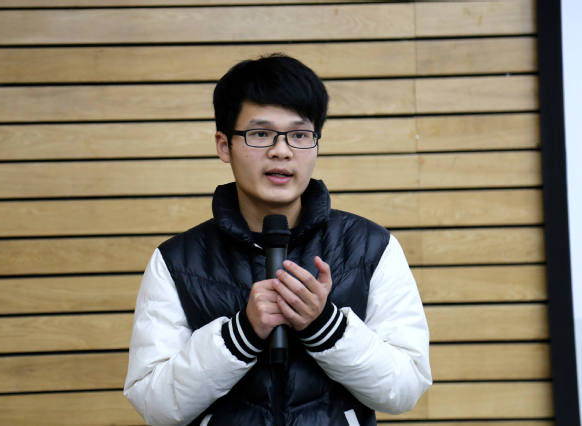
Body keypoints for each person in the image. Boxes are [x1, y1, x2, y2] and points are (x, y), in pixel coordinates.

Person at [124, 54, 432, 426]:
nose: (281, 151)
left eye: (299, 135)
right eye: (260, 134)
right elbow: (155, 405)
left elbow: (404, 389)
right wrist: (240, 334)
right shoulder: (176, 261)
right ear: (224, 145)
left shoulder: (371, 247)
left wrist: (325, 326)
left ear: (316, 144)